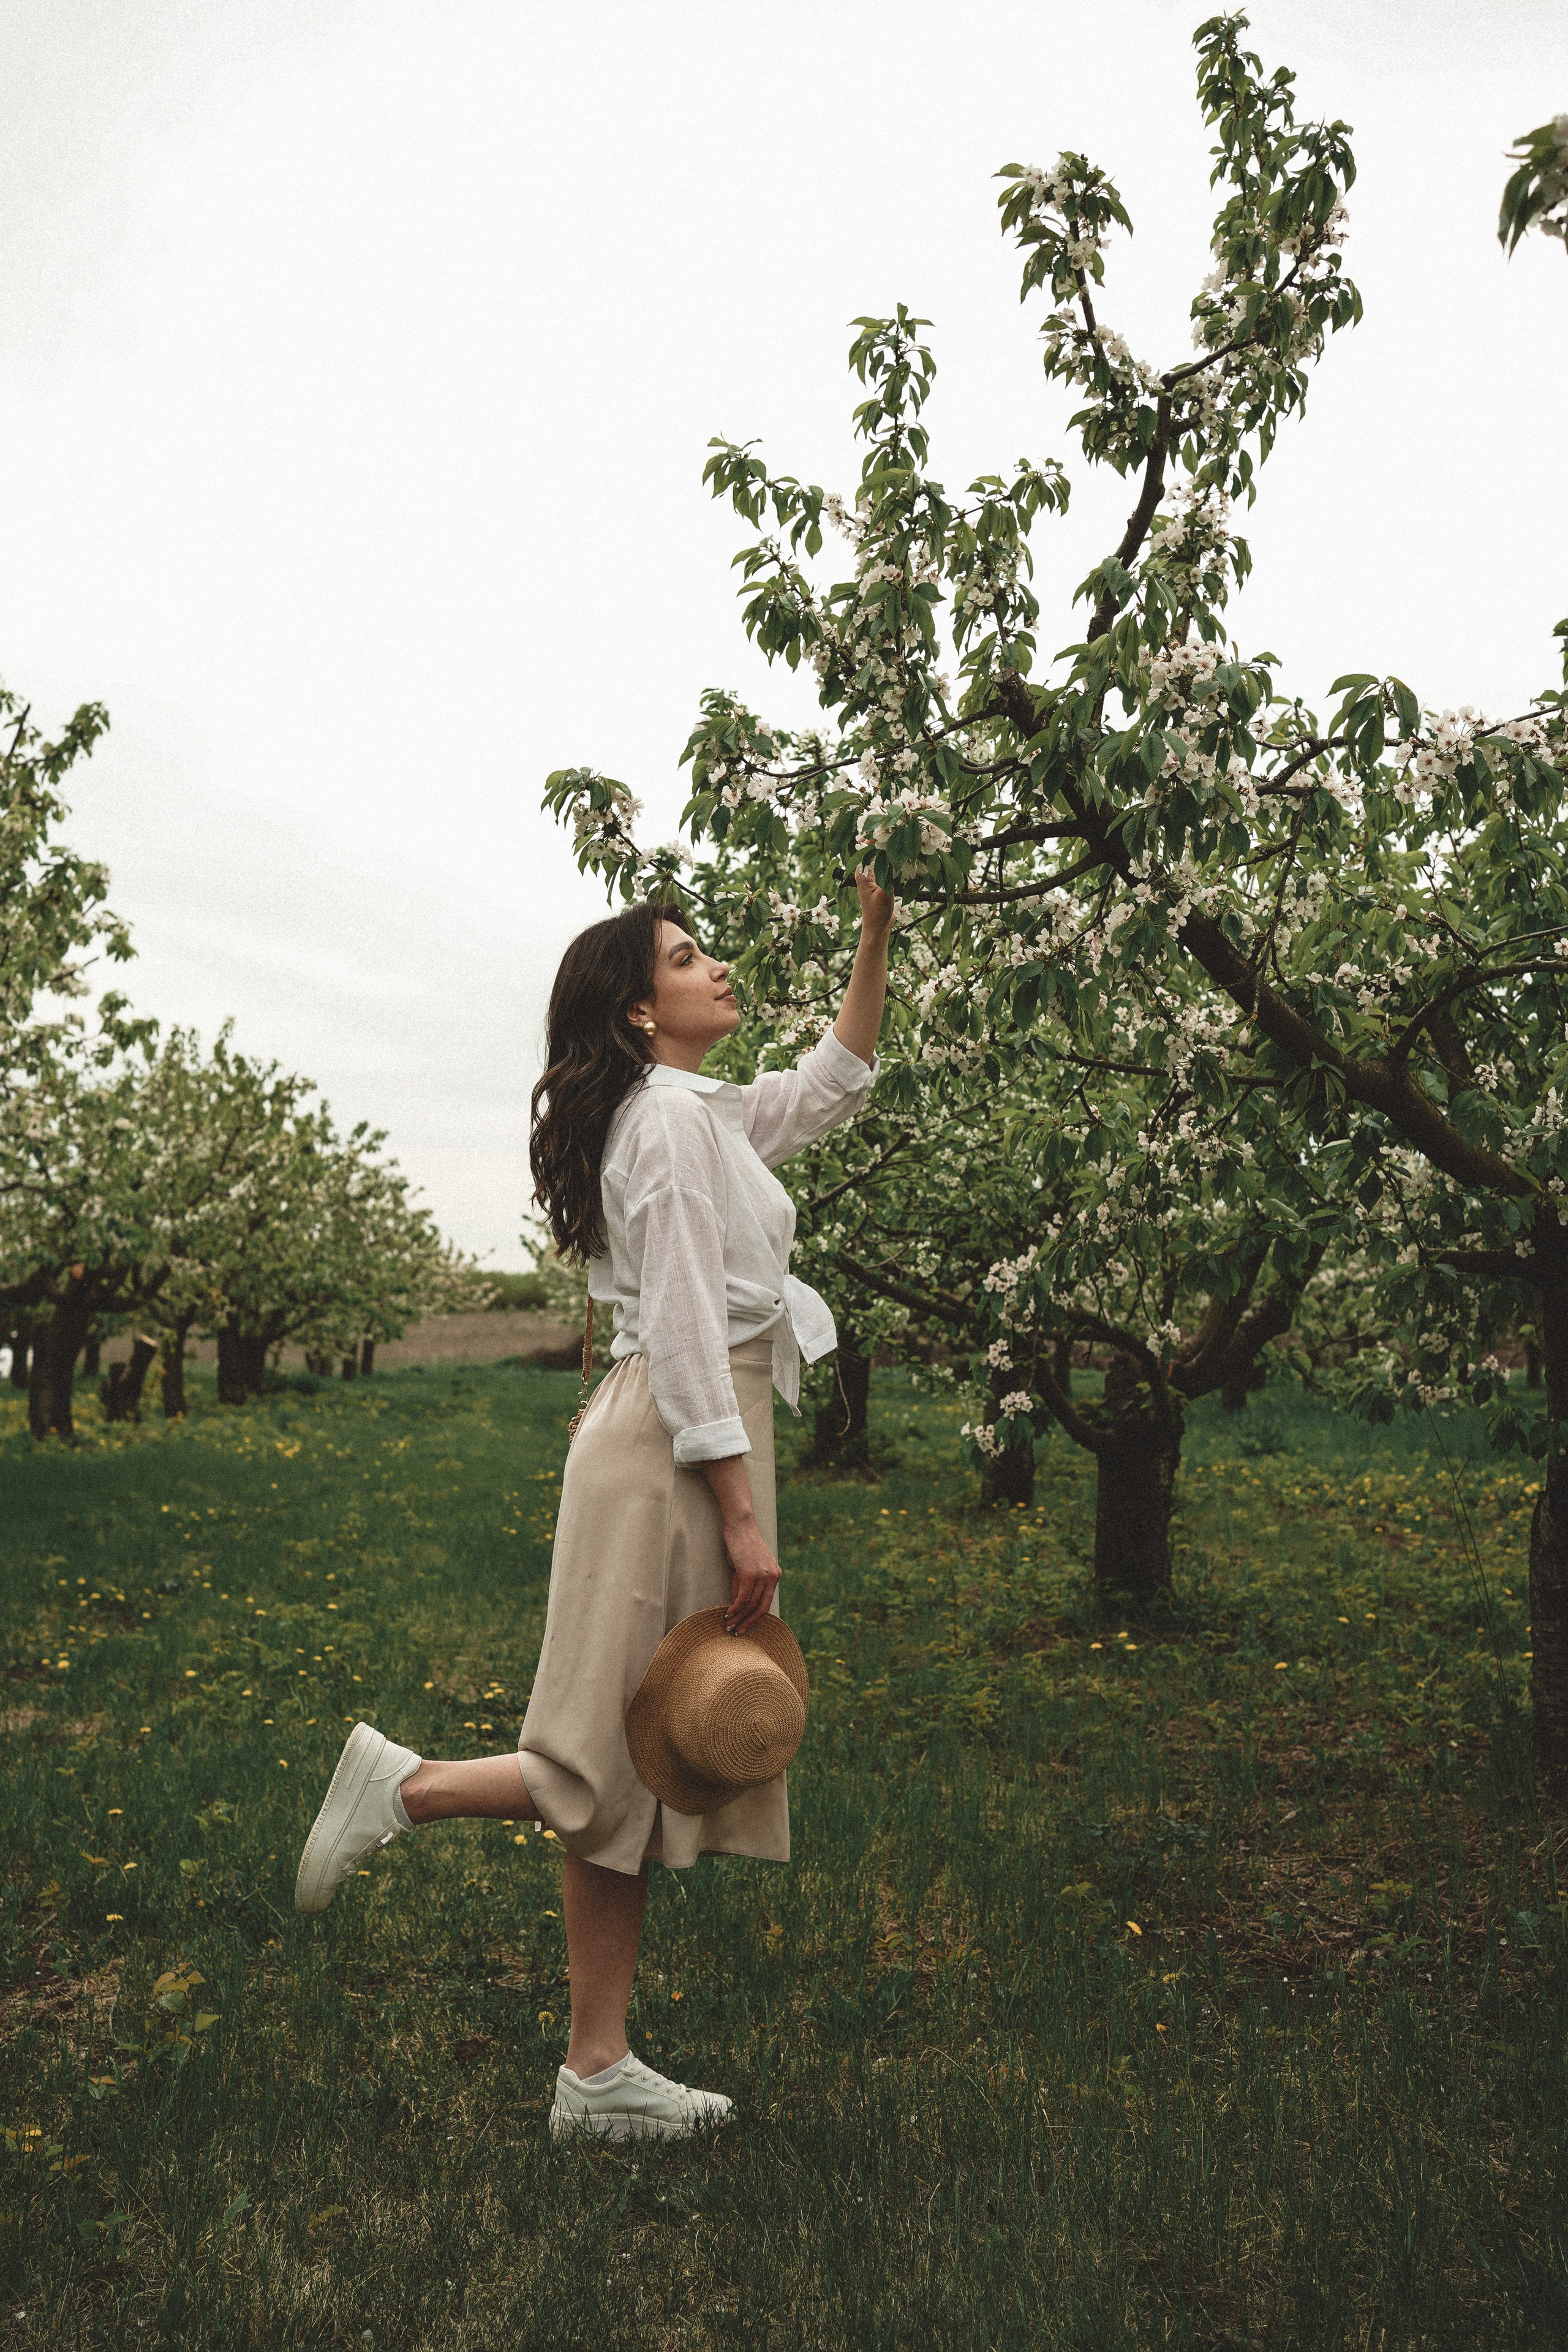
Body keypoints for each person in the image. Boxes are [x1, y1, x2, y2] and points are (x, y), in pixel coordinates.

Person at [294, 875, 893, 2141]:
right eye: (689, 956)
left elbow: (832, 1080)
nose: (718, 966)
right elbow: (681, 1327)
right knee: (606, 1749)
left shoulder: (699, 1117)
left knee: (629, 1754)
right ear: (638, 1012)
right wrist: (739, 1511)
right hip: (677, 1437)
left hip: (680, 1429)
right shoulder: (669, 1129)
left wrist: (876, 927)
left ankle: (595, 2069)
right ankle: (407, 1797)